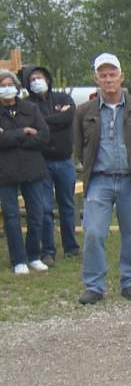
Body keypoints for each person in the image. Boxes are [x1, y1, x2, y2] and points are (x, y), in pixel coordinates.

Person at [74, 54, 131, 303]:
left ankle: (129, 281)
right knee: (93, 232)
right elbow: (79, 147)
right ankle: (94, 286)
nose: (108, 79)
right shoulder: (84, 111)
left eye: (112, 74)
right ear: (96, 79)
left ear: (121, 77)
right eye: (103, 75)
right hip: (99, 180)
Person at [23, 65, 79, 264]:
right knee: (45, 209)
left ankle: (71, 247)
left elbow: (68, 117)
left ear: (47, 79)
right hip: (41, 161)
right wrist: (53, 122)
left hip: (65, 161)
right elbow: (29, 127)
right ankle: (48, 251)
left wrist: (41, 123)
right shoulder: (27, 105)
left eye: (39, 77)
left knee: (67, 205)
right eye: (32, 79)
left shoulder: (64, 98)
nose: (36, 81)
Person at [0, 70, 49, 275]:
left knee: (36, 214)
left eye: (9, 84)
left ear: (17, 87)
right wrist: (24, 132)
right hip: (6, 172)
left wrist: (11, 138)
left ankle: (34, 255)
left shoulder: (30, 108)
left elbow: (43, 136)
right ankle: (18, 259)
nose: (7, 88)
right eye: (2, 85)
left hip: (32, 168)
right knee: (11, 217)